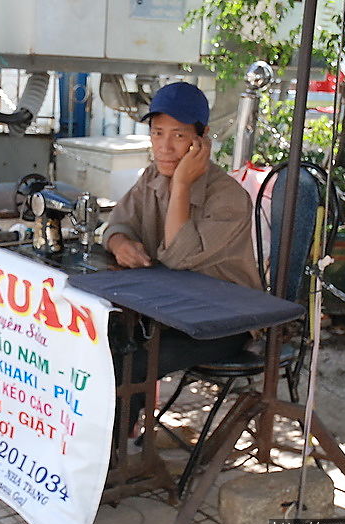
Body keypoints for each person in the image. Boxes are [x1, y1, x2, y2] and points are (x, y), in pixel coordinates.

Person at [101, 81, 262, 430]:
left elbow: (177, 257)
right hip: (169, 309)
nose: (165, 146)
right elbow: (117, 224)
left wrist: (182, 186)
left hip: (222, 320)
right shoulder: (150, 178)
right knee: (104, 338)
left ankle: (116, 462)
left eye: (178, 135)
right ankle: (117, 445)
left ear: (201, 139)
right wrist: (120, 243)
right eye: (157, 133)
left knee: (134, 361)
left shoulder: (229, 198)